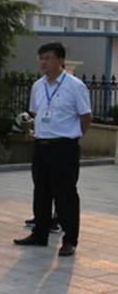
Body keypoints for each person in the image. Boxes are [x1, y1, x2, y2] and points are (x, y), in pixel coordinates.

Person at [14, 43, 91, 257]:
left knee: (65, 194)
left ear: (60, 60)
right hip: (41, 145)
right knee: (41, 191)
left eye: (48, 58)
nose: (43, 63)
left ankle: (70, 239)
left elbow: (85, 117)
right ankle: (40, 233)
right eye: (41, 58)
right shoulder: (38, 86)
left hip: (64, 146)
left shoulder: (75, 86)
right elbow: (36, 112)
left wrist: (73, 135)